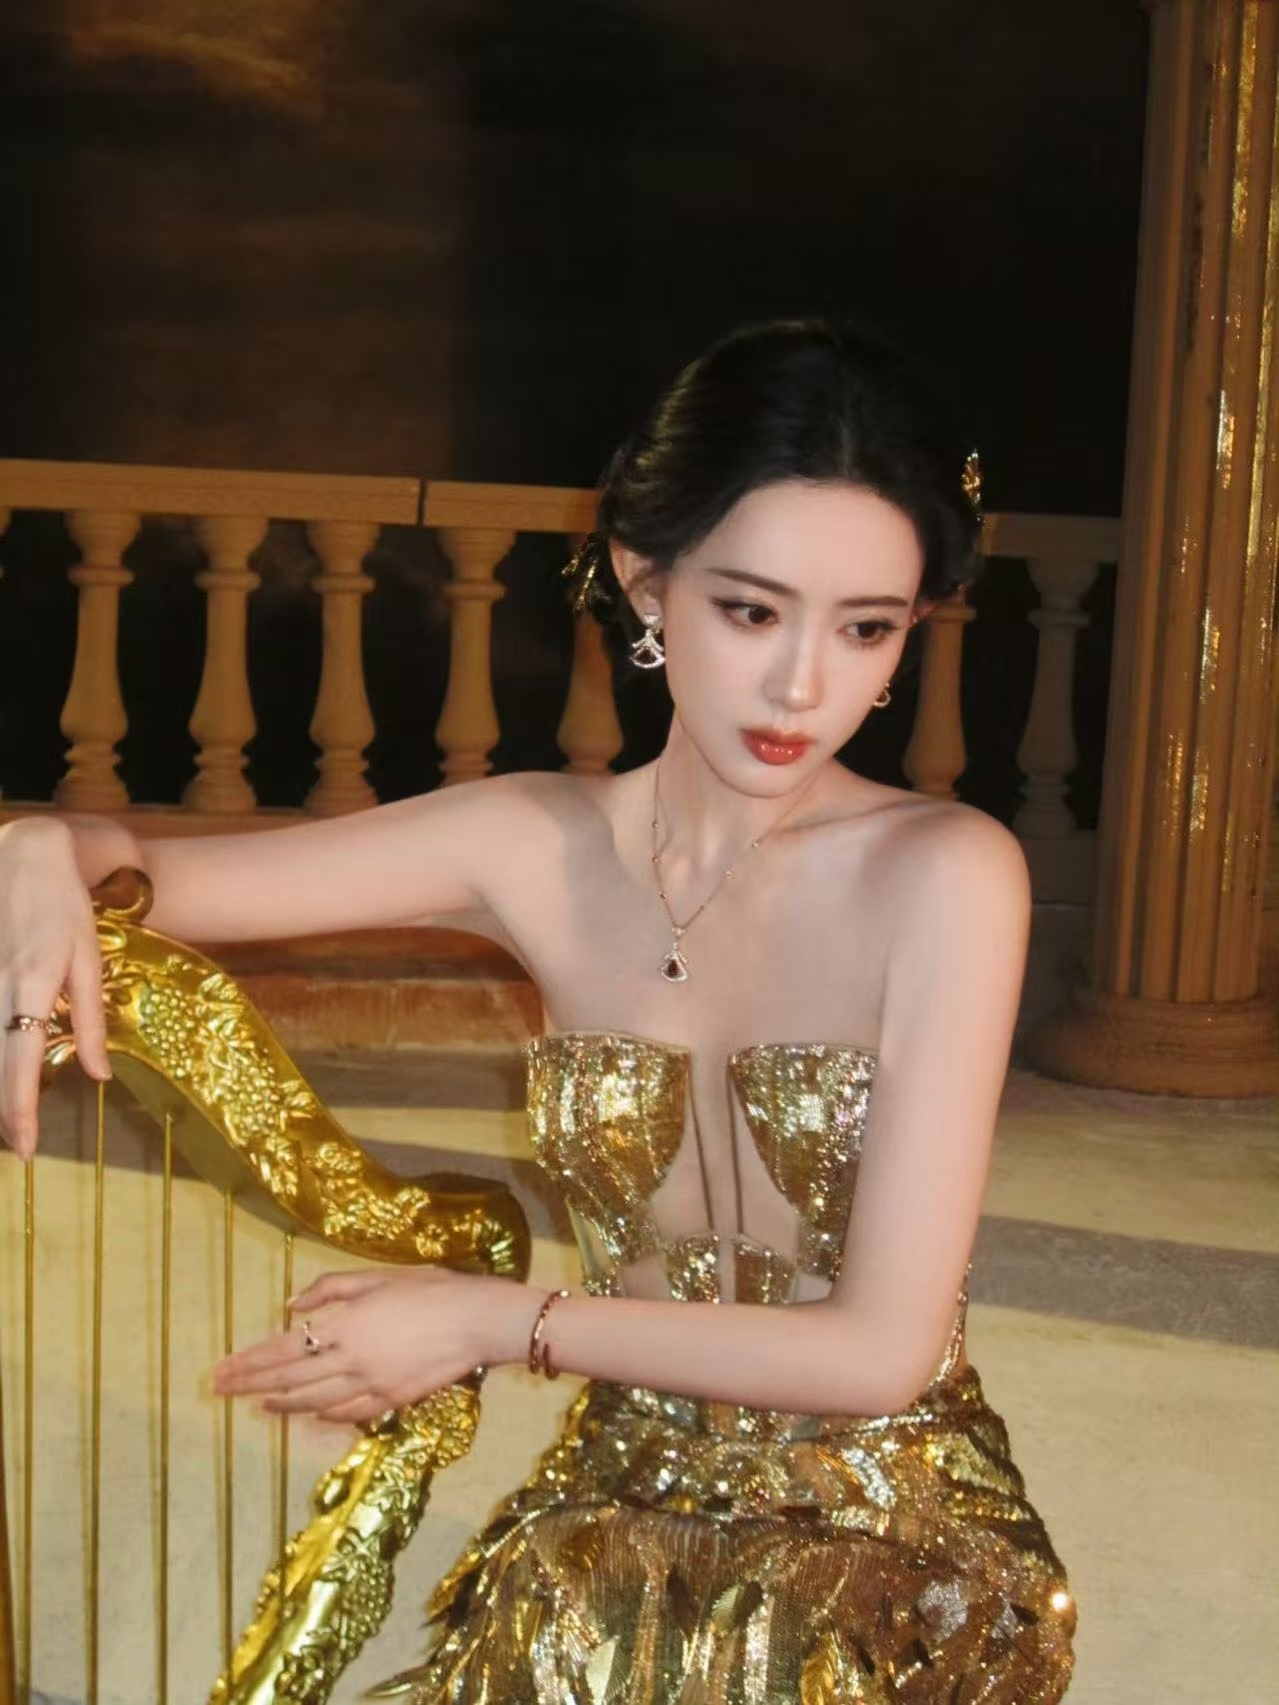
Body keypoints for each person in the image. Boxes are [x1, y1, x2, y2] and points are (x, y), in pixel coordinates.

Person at [0, 320, 1074, 1701]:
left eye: (866, 627)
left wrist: (486, 1321)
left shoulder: (948, 875)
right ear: (646, 579)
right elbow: (155, 876)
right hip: (614, 1509)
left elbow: (880, 1351)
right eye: (753, 611)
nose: (806, 686)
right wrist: (41, 845)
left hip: (888, 1539)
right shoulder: (528, 842)